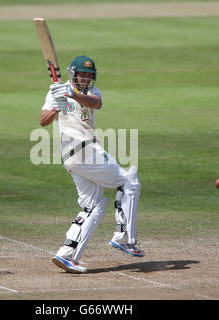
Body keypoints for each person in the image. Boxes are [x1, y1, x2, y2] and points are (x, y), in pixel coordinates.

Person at [39, 55, 144, 274]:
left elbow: (96, 104)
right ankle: (124, 238)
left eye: (89, 76)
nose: (86, 79)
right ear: (74, 75)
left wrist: (72, 95)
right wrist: (57, 107)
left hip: (78, 157)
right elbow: (43, 121)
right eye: (82, 75)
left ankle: (66, 255)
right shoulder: (56, 92)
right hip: (82, 150)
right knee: (129, 180)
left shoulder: (92, 93)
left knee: (94, 206)